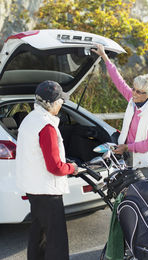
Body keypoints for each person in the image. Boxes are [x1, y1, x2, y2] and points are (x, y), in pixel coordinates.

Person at [16, 80, 78, 260]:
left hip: (33, 188)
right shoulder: (47, 127)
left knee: (38, 235)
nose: (61, 105)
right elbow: (55, 167)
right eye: (60, 101)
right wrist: (71, 168)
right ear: (51, 103)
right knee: (56, 241)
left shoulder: (29, 119)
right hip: (47, 191)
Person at [92, 44, 148, 178]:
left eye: (139, 92)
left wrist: (127, 147)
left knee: (145, 197)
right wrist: (105, 57)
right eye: (134, 89)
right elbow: (119, 81)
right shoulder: (133, 99)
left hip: (147, 165)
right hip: (130, 157)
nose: (134, 93)